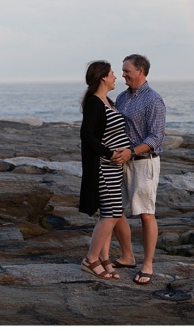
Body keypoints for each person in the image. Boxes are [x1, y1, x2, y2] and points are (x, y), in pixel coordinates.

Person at [109, 54, 166, 285]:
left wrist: (132, 152)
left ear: (140, 71)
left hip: (144, 162)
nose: (123, 75)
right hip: (123, 162)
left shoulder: (154, 100)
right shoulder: (122, 97)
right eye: (122, 71)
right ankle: (127, 256)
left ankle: (148, 265)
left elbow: (156, 137)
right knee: (114, 209)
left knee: (145, 213)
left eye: (127, 71)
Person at [78, 61, 131, 279]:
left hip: (113, 168)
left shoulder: (107, 101)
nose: (116, 77)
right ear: (102, 78)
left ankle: (104, 258)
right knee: (110, 215)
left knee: (112, 212)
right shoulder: (93, 103)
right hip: (102, 166)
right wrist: (110, 154)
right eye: (111, 74)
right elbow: (87, 135)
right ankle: (90, 259)